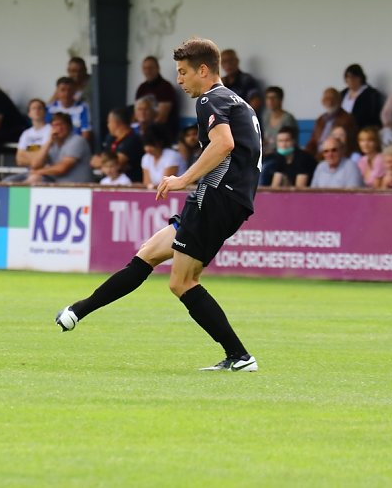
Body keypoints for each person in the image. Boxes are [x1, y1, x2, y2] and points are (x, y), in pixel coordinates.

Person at [55, 37, 262, 372]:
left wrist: (184, 178)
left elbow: (224, 143)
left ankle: (240, 356)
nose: (179, 80)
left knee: (182, 282)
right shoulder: (236, 101)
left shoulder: (210, 98)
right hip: (223, 196)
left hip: (218, 195)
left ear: (203, 70)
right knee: (148, 253)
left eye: (183, 72)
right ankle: (77, 311)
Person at [23, 112, 93, 184]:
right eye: (55, 125)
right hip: (58, 185)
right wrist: (49, 142)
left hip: (79, 186)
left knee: (34, 178)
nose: (59, 128)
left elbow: (62, 168)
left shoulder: (77, 140)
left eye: (61, 125)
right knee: (24, 178)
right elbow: (35, 165)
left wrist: (38, 172)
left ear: (69, 127)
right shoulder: (52, 143)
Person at [91, 107, 143, 183]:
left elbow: (117, 162)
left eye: (109, 122)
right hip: (109, 182)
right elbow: (94, 161)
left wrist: (104, 162)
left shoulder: (133, 140)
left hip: (128, 184)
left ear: (115, 123)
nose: (108, 125)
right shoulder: (111, 138)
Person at [305, 87, 358, 158]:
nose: (329, 101)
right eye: (326, 98)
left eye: (332, 98)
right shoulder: (320, 119)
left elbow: (348, 144)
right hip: (317, 156)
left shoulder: (347, 119)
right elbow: (313, 141)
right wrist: (306, 154)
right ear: (322, 101)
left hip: (333, 155)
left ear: (339, 101)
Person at [135, 56, 179, 138]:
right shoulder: (142, 87)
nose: (148, 71)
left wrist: (146, 133)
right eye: (145, 68)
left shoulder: (165, 87)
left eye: (150, 68)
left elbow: (161, 118)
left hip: (162, 133)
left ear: (158, 68)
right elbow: (136, 113)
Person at [140, 124, 186, 189]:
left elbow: (165, 184)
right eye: (146, 145)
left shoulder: (172, 156)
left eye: (151, 145)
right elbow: (146, 183)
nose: (147, 148)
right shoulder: (145, 158)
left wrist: (151, 186)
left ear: (160, 142)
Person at [47, 76, 92, 141]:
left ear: (74, 91)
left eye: (70, 90)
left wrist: (80, 145)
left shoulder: (83, 107)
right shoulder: (50, 108)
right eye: (63, 90)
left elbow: (86, 131)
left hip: (76, 143)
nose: (66, 93)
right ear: (57, 92)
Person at [220, 48, 262, 114]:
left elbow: (256, 102)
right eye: (224, 61)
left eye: (231, 60)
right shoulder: (221, 83)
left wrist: (242, 117)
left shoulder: (246, 80)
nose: (228, 64)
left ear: (237, 61)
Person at [341, 63, 383, 131]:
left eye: (353, 77)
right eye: (347, 77)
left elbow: (371, 116)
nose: (350, 80)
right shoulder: (343, 93)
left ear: (360, 77)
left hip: (361, 129)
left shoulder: (371, 94)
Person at [260, 86, 298, 157]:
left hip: (283, 154)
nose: (270, 101)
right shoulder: (266, 117)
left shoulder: (288, 118)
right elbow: (266, 139)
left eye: (274, 98)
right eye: (268, 98)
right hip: (266, 154)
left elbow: (289, 143)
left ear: (281, 100)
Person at [14, 99, 52, 169]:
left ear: (45, 112)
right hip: (29, 171)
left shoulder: (51, 130)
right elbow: (19, 159)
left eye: (39, 108)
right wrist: (37, 161)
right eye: (34, 108)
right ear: (29, 114)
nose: (37, 110)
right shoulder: (26, 133)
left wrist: (26, 153)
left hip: (46, 170)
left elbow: (45, 157)